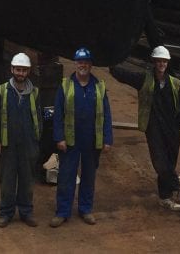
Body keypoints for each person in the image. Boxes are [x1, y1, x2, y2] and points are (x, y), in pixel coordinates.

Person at [110, 46, 180, 210]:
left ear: (167, 63)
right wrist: (111, 62)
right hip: (153, 128)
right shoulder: (144, 79)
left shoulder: (174, 83)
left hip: (171, 130)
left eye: (164, 61)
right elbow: (123, 75)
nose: (161, 63)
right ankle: (178, 183)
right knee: (160, 164)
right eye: (159, 61)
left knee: (169, 163)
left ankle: (165, 198)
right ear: (154, 62)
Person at [50, 47, 113, 227]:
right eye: (79, 62)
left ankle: (85, 209)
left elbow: (106, 114)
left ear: (91, 65)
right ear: (75, 64)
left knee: (89, 177)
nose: (82, 65)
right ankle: (62, 212)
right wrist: (59, 138)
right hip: (70, 140)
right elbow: (58, 114)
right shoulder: (65, 85)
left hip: (92, 140)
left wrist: (107, 139)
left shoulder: (99, 86)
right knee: (66, 176)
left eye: (86, 62)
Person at [0, 52, 42, 228]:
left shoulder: (34, 93)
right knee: (7, 181)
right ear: (12, 69)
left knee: (27, 181)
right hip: (8, 144)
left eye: (24, 70)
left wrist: (37, 141)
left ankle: (26, 212)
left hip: (28, 143)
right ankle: (6, 213)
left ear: (28, 72)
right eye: (18, 70)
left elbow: (39, 118)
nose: (20, 73)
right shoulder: (2, 91)